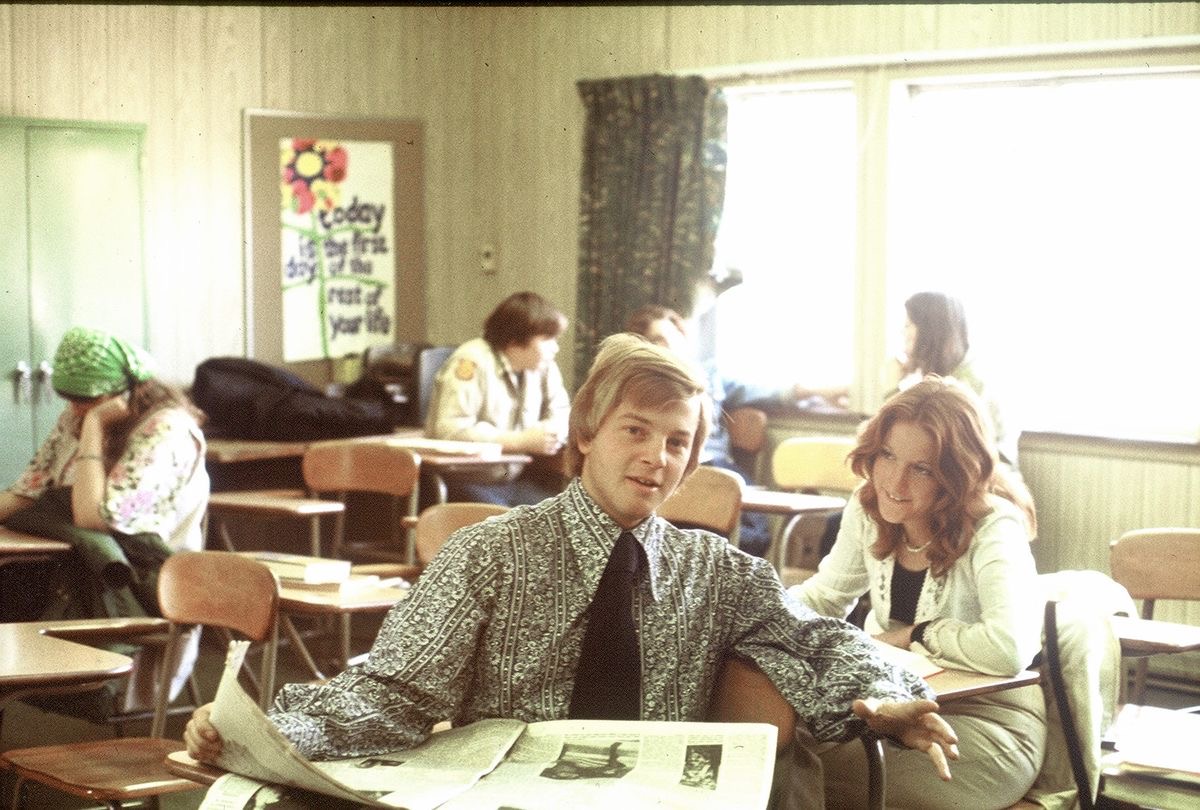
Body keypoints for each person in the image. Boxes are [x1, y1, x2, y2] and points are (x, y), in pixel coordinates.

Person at [186, 333, 958, 807]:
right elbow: (393, 692)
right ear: (587, 431)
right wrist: (259, 733)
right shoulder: (491, 555)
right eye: (637, 430)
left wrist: (895, 695)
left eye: (679, 442)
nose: (658, 457)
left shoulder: (717, 571)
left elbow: (819, 640)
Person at [789, 376, 1046, 809]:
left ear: (955, 475)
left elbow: (1009, 647)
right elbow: (825, 596)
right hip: (894, 711)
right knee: (779, 750)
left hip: (989, 722)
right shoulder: (869, 505)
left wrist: (918, 633)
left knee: (813, 775)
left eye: (921, 468)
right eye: (887, 455)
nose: (895, 481)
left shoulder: (994, 526)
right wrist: (757, 615)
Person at [0, 326, 209, 718]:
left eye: (87, 400)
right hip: (70, 575)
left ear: (126, 391)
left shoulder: (167, 430)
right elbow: (26, 490)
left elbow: (91, 517)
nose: (76, 410)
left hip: (142, 590)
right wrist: (88, 419)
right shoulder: (78, 415)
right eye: (70, 400)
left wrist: (94, 430)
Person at [625, 304, 848, 557]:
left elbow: (767, 391)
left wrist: (825, 391)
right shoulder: (640, 385)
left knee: (755, 531)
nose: (666, 347)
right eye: (656, 341)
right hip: (675, 465)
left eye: (670, 338)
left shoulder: (709, 374)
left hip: (717, 465)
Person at [424, 290, 571, 506]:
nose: (555, 348)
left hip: (514, 479)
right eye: (547, 339)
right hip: (466, 480)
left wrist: (552, 432)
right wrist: (521, 441)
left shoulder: (543, 365)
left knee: (563, 521)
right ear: (515, 340)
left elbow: (563, 411)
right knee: (514, 529)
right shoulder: (471, 361)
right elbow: (450, 430)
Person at [890, 291, 1013, 463]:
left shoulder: (963, 385)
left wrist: (892, 386)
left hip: (988, 478)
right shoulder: (940, 373)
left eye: (908, 325)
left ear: (929, 331)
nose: (903, 332)